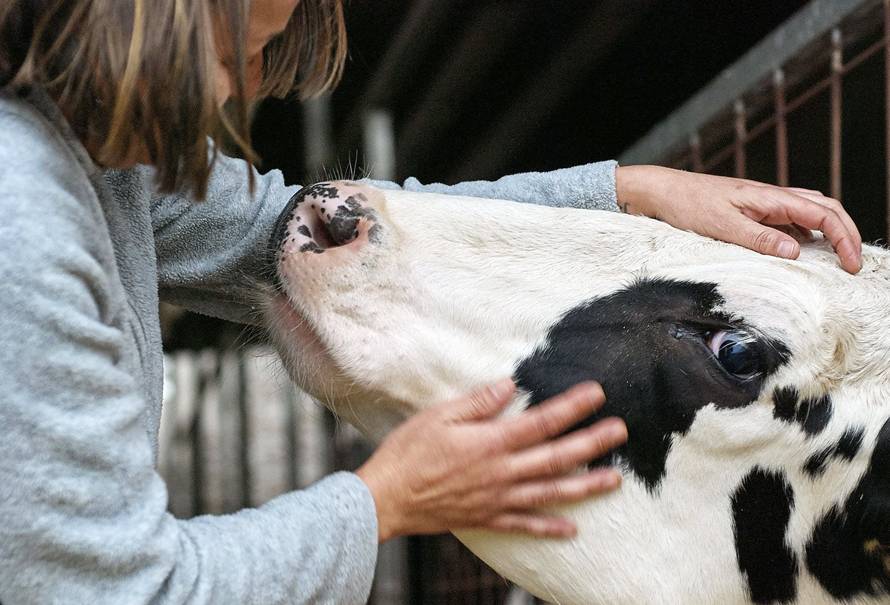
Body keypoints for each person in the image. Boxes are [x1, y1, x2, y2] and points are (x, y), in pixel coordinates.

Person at [0, 1, 863, 603]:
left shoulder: (93, 155)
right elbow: (109, 593)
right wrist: (385, 501)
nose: (240, 91)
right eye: (235, 52)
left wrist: (625, 192)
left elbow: (284, 228)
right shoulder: (22, 214)